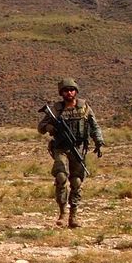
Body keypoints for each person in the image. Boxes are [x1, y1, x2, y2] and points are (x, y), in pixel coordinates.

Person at [37, 77, 105, 228]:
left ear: (76, 91)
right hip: (60, 147)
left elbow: (94, 126)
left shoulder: (84, 108)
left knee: (76, 181)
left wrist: (99, 141)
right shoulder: (56, 110)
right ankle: (62, 213)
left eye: (72, 90)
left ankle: (73, 215)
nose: (69, 93)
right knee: (61, 176)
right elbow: (41, 127)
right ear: (62, 93)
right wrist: (50, 128)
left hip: (78, 147)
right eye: (66, 90)